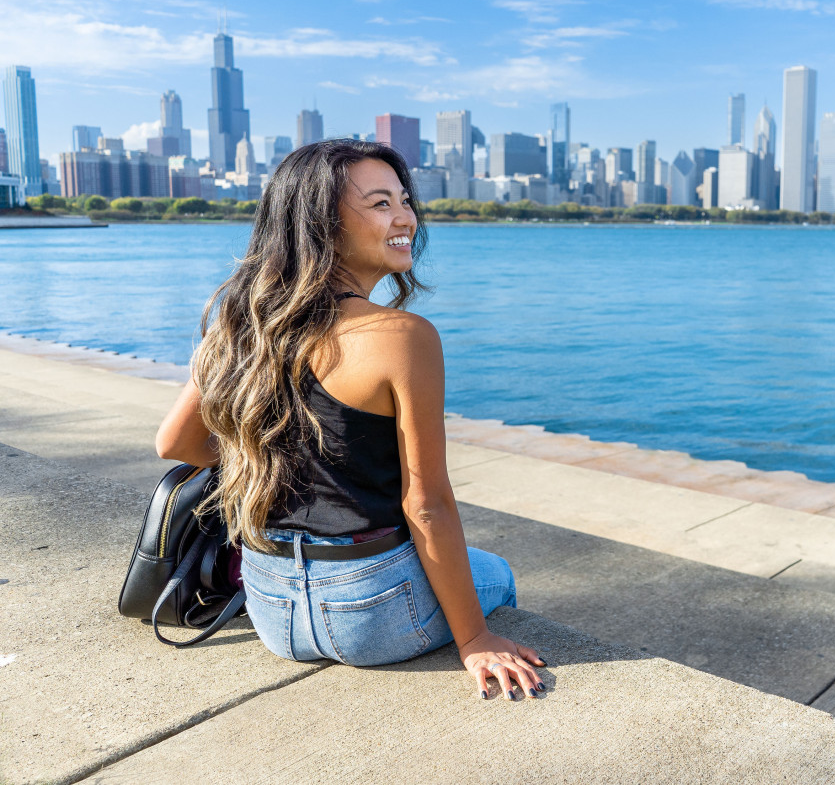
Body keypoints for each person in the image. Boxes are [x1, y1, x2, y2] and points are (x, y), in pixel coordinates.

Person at [155, 139, 544, 701]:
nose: (406, 217)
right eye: (381, 203)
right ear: (322, 222)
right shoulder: (402, 337)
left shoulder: (243, 319)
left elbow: (176, 442)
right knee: (497, 574)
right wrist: (476, 638)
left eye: (405, 200)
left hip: (272, 609)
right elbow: (427, 505)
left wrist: (270, 453)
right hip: (371, 612)